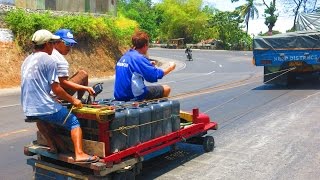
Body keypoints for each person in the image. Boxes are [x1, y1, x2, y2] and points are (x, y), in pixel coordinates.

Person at [21, 29, 99, 163]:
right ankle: (79, 154)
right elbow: (57, 88)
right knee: (74, 122)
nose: (54, 46)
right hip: (42, 106)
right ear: (46, 44)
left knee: (41, 120)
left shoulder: (27, 59)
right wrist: (74, 100)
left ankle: (53, 147)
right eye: (52, 43)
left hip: (28, 107)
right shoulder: (48, 60)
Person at [114, 30, 176, 101]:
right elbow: (154, 76)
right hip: (131, 95)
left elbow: (134, 68)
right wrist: (171, 68)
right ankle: (158, 111)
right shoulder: (139, 58)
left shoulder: (125, 56)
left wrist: (148, 64)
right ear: (145, 45)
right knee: (166, 88)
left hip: (119, 95)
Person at [51, 29, 95, 101]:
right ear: (56, 43)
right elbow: (62, 83)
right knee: (83, 74)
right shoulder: (59, 59)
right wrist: (85, 88)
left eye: (71, 44)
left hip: (42, 95)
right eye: (67, 44)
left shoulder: (45, 53)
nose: (69, 47)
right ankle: (79, 100)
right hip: (55, 95)